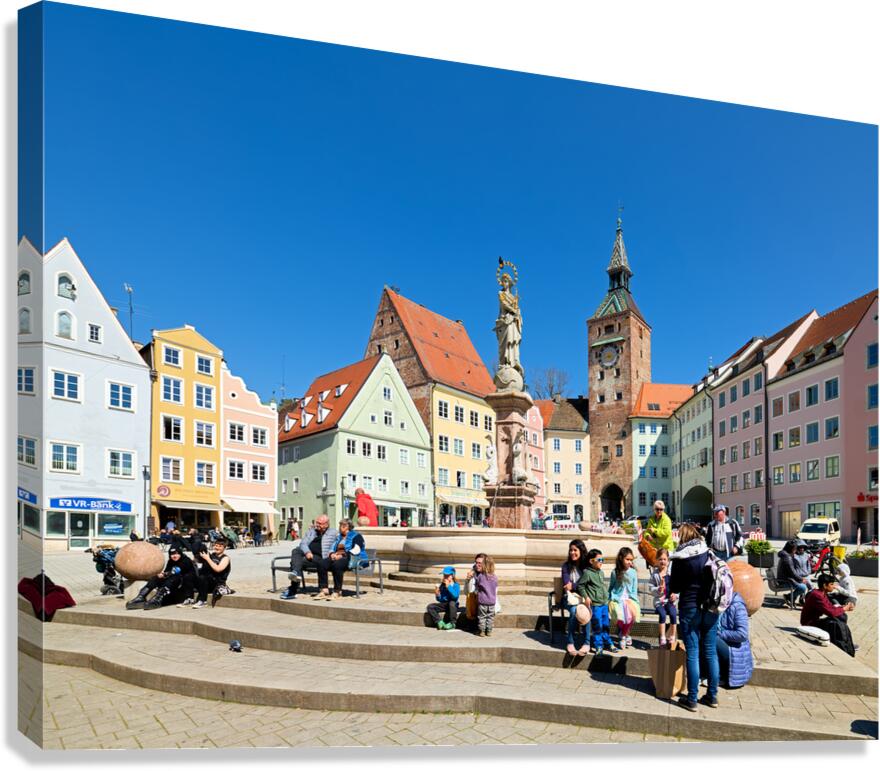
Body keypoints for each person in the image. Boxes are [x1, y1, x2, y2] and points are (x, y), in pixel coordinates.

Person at [669, 522, 719, 711]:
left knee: (693, 653)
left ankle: (692, 699)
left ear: (682, 537)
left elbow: (675, 587)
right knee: (710, 651)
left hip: (690, 607)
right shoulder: (708, 552)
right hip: (711, 607)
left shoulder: (680, 558)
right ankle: (712, 696)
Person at [279, 515, 338, 600]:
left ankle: (293, 589)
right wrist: (307, 552)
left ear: (326, 524)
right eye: (316, 522)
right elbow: (303, 543)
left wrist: (334, 553)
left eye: (319, 523)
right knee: (296, 551)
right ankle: (296, 573)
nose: (317, 525)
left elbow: (341, 540)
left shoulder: (333, 532)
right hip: (309, 555)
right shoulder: (311, 531)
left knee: (295, 562)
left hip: (321, 558)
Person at [801, 573, 856, 657]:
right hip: (810, 623)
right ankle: (843, 644)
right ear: (824, 585)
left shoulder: (822, 593)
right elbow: (830, 612)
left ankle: (846, 642)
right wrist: (845, 608)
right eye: (831, 584)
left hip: (815, 621)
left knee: (841, 617)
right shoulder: (817, 595)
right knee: (837, 622)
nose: (833, 586)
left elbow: (830, 607)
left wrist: (843, 607)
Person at [125, 546, 196, 610]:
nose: (174, 556)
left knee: (175, 577)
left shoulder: (186, 560)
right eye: (172, 554)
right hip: (172, 583)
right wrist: (161, 575)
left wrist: (165, 574)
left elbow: (177, 571)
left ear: (180, 553)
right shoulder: (171, 561)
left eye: (176, 554)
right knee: (156, 578)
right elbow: (167, 572)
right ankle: (141, 597)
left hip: (183, 583)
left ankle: (157, 598)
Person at [577, 549, 618, 655]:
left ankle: (608, 642)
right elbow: (580, 586)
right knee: (597, 625)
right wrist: (586, 597)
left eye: (602, 559)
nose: (601, 561)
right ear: (591, 561)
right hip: (595, 605)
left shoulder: (601, 572)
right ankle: (598, 646)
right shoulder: (587, 573)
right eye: (599, 559)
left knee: (605, 625)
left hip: (604, 604)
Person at [713, 590, 753, 688]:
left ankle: (717, 677)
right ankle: (713, 674)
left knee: (711, 639)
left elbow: (742, 634)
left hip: (735, 648)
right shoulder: (715, 603)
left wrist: (720, 634)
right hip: (724, 643)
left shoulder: (737, 606)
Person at [324, 518, 368, 599]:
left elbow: (356, 549)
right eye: (340, 525)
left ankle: (337, 591)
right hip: (338, 557)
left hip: (353, 558)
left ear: (348, 527)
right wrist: (332, 554)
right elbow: (332, 547)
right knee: (322, 563)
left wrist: (342, 555)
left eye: (343, 525)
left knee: (337, 565)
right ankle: (323, 589)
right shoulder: (339, 537)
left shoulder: (356, 536)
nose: (341, 527)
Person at [561, 539, 590, 655]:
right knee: (574, 610)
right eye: (571, 550)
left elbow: (586, 583)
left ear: (581, 551)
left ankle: (587, 643)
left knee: (585, 609)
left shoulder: (587, 566)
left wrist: (573, 585)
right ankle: (570, 641)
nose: (572, 552)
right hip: (569, 598)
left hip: (583, 598)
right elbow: (566, 585)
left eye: (575, 550)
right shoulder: (566, 566)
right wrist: (575, 586)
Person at [608, 547, 641, 649]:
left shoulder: (633, 572)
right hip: (618, 598)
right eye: (627, 559)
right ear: (621, 558)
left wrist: (635, 600)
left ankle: (623, 635)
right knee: (620, 615)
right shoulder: (615, 572)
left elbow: (634, 587)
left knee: (631, 615)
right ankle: (624, 634)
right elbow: (611, 586)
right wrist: (609, 597)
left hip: (630, 598)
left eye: (631, 560)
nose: (629, 562)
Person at [191, 538, 232, 608]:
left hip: (217, 584)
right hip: (207, 582)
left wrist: (208, 559)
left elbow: (218, 569)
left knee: (203, 577)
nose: (217, 547)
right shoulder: (211, 555)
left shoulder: (225, 558)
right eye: (216, 545)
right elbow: (198, 561)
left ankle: (202, 600)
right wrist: (197, 554)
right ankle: (188, 598)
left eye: (220, 546)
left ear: (224, 547)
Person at [648, 548, 677, 647]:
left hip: (669, 600)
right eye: (660, 559)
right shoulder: (655, 574)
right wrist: (657, 589)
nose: (662, 561)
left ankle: (673, 635)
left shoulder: (671, 574)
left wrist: (675, 595)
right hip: (659, 601)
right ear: (657, 560)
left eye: (665, 559)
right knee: (663, 615)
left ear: (668, 561)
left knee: (673, 614)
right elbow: (650, 588)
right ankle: (663, 637)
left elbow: (677, 588)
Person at [466, 553, 498, 637]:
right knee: (490, 617)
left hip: (482, 601)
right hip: (492, 601)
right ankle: (489, 631)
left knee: (482, 617)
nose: (477, 565)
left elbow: (476, 585)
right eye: (476, 563)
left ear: (485, 564)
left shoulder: (480, 576)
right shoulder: (494, 576)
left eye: (479, 563)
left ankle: (482, 631)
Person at [776, 540, 808, 607]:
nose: (796, 550)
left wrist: (800, 579)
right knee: (803, 587)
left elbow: (792, 572)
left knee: (803, 583)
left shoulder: (786, 555)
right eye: (795, 548)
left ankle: (791, 598)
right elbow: (792, 573)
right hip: (784, 581)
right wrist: (801, 579)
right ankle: (789, 597)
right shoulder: (787, 558)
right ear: (792, 549)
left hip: (786, 578)